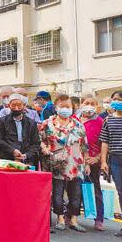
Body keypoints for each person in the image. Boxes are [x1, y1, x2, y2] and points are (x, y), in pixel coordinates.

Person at [39, 94, 87, 233]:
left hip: (75, 164)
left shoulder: (78, 124)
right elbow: (40, 140)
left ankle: (73, 220)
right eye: (62, 106)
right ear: (56, 107)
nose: (65, 109)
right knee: (57, 193)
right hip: (56, 164)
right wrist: (45, 147)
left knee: (76, 194)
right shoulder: (47, 123)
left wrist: (87, 164)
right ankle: (60, 218)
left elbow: (84, 145)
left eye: (68, 106)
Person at [100, 90, 122, 237]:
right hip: (115, 160)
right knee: (121, 192)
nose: (116, 102)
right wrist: (103, 160)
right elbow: (105, 141)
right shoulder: (108, 119)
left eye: (120, 99)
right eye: (114, 99)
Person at [80, 96, 105, 231]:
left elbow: (106, 143)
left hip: (93, 161)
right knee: (73, 190)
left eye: (92, 104)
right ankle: (70, 216)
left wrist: (97, 158)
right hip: (76, 161)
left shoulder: (101, 122)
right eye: (86, 103)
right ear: (80, 104)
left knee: (95, 190)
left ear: (97, 107)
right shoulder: (74, 120)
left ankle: (99, 219)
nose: (89, 106)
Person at [0, 94, 41, 166]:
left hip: (27, 160)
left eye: (19, 105)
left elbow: (36, 143)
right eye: (13, 105)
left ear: (24, 105)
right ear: (9, 105)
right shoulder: (2, 121)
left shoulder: (31, 123)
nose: (16, 108)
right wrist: (13, 151)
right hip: (7, 159)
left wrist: (26, 155)